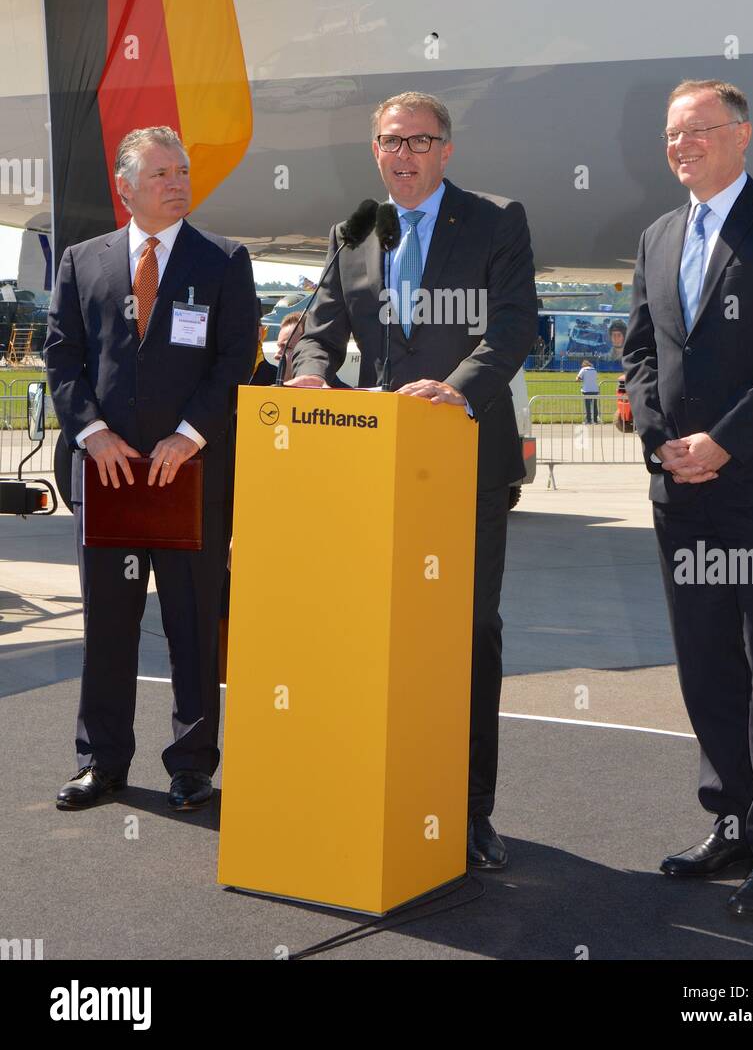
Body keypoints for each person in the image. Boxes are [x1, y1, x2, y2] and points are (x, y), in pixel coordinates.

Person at [287, 90, 537, 870]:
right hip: (370, 469)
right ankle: (387, 789)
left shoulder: (496, 219)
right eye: (391, 142)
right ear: (376, 150)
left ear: (446, 150)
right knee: (380, 635)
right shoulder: (354, 230)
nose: (404, 156)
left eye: (420, 142)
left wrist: (457, 388)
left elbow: (515, 325)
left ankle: (468, 809)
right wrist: (310, 376)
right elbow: (320, 328)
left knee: (465, 633)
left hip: (462, 462)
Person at [623, 79, 753, 918]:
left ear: (741, 135)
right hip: (681, 490)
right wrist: (659, 441)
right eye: (672, 135)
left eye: (698, 131)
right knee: (708, 667)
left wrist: (724, 442)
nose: (682, 146)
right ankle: (734, 821)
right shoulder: (658, 235)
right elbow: (639, 350)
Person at [45, 126, 258, 813]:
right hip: (108, 475)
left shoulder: (224, 259)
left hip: (188, 474)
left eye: (182, 171)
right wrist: (93, 432)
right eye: (161, 173)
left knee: (194, 624)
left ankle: (192, 765)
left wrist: (190, 435)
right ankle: (101, 763)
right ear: (126, 187)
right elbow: (62, 357)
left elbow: (236, 360)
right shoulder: (83, 261)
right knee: (107, 624)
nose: (177, 182)